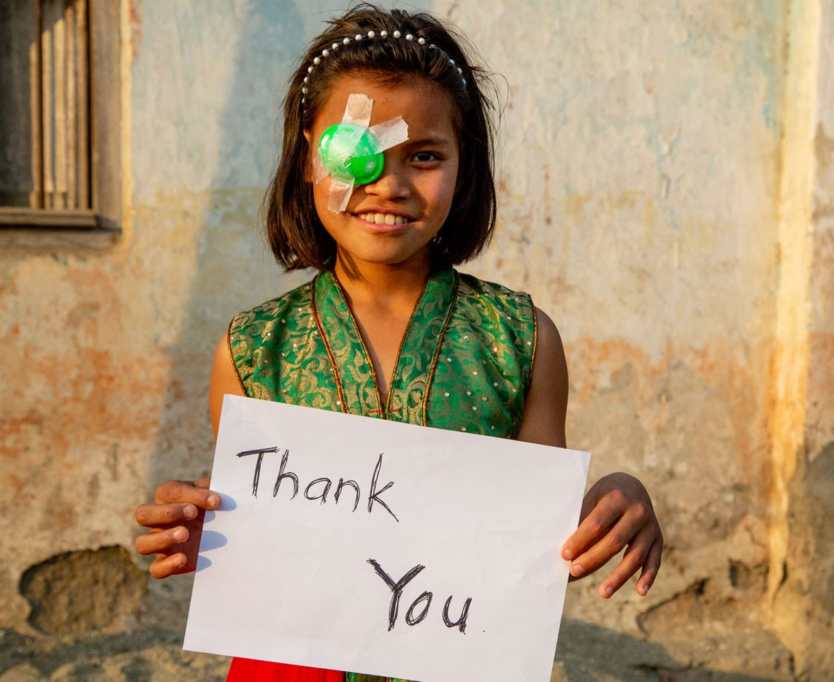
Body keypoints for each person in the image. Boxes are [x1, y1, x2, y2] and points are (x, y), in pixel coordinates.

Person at [134, 5, 662, 681]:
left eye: (425, 156)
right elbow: (258, 534)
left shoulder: (521, 341)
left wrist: (617, 498)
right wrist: (204, 526)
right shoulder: (253, 349)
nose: (389, 184)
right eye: (353, 153)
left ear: (464, 166)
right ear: (307, 157)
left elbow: (537, 547)